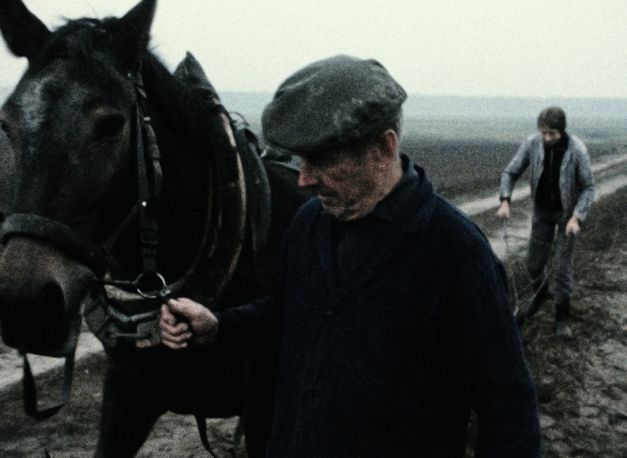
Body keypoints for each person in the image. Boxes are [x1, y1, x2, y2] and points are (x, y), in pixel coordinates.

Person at [161, 55, 541, 457]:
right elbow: (286, 314)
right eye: (301, 160)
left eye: (322, 159)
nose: (304, 179)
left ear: (384, 147)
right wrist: (217, 325)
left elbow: (508, 409)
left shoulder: (454, 252)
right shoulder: (310, 224)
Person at [497, 107, 595, 338]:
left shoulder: (577, 150)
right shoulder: (532, 143)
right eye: (544, 133)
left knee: (561, 269)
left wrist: (576, 217)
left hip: (566, 216)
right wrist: (505, 200)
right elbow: (510, 172)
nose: (547, 138)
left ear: (562, 131)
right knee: (533, 265)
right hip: (542, 212)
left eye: (552, 134)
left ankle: (562, 317)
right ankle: (540, 297)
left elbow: (589, 188)